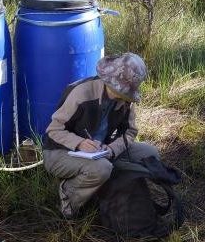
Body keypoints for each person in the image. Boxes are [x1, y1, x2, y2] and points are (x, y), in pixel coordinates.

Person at [42, 52, 160, 219]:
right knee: (102, 169)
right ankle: (68, 198)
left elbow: (130, 132)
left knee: (150, 154)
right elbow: (53, 130)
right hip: (59, 152)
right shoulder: (81, 93)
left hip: (101, 152)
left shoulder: (125, 100)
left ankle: (105, 191)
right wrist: (80, 143)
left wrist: (111, 149)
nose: (126, 96)